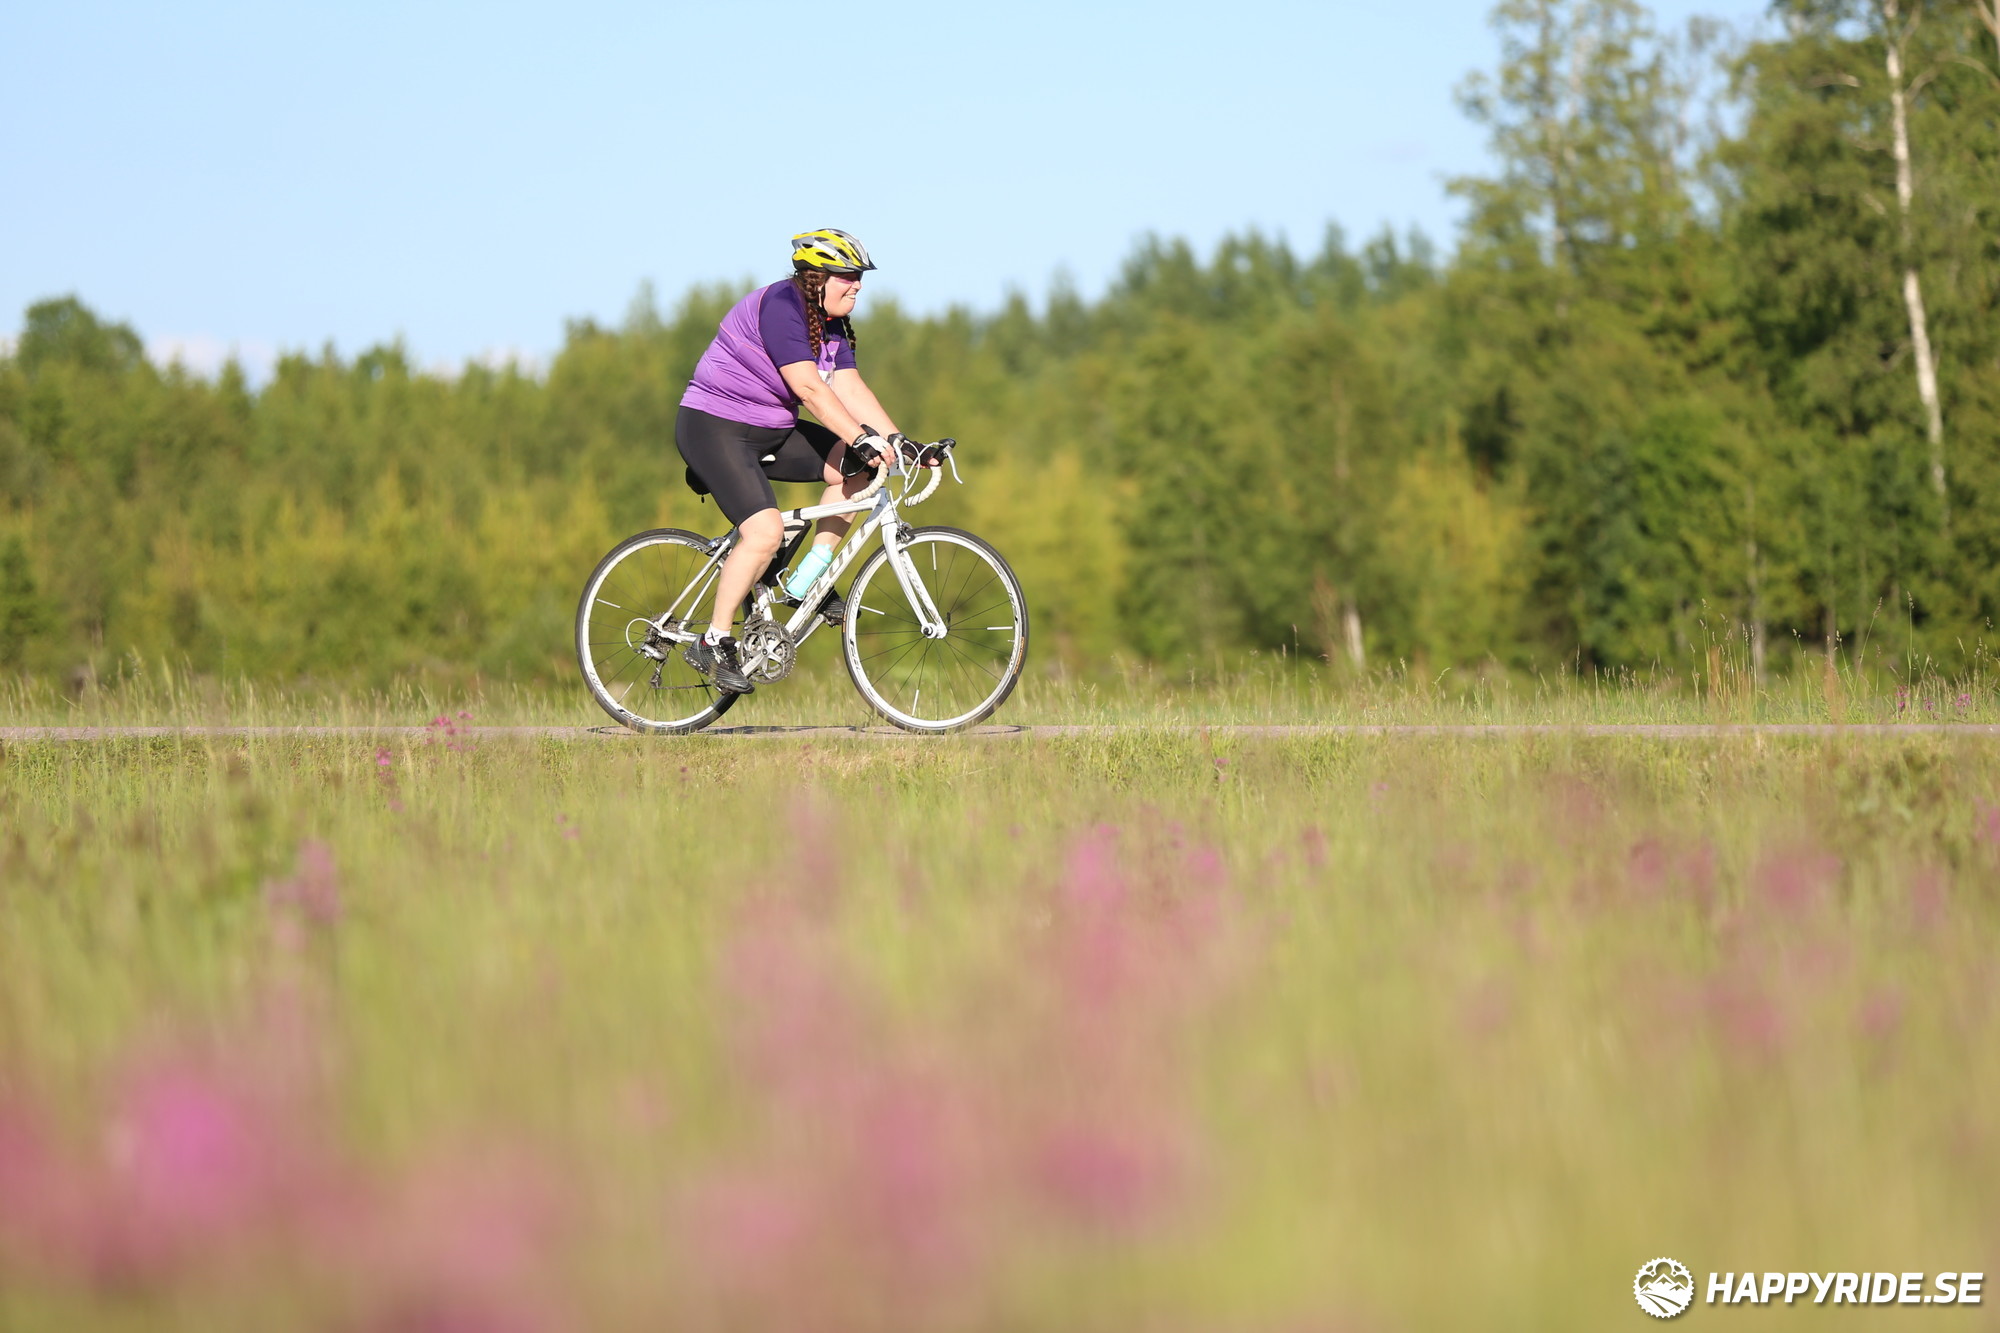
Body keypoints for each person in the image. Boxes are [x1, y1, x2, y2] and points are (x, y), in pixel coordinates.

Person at [674, 228, 918, 695]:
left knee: (860, 469)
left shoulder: (829, 322)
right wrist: (859, 436)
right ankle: (713, 640)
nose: (857, 285)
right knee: (764, 533)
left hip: (772, 429)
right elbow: (809, 389)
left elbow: (849, 388)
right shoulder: (782, 306)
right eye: (847, 276)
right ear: (815, 278)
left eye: (860, 276)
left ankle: (806, 580)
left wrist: (899, 442)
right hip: (714, 428)